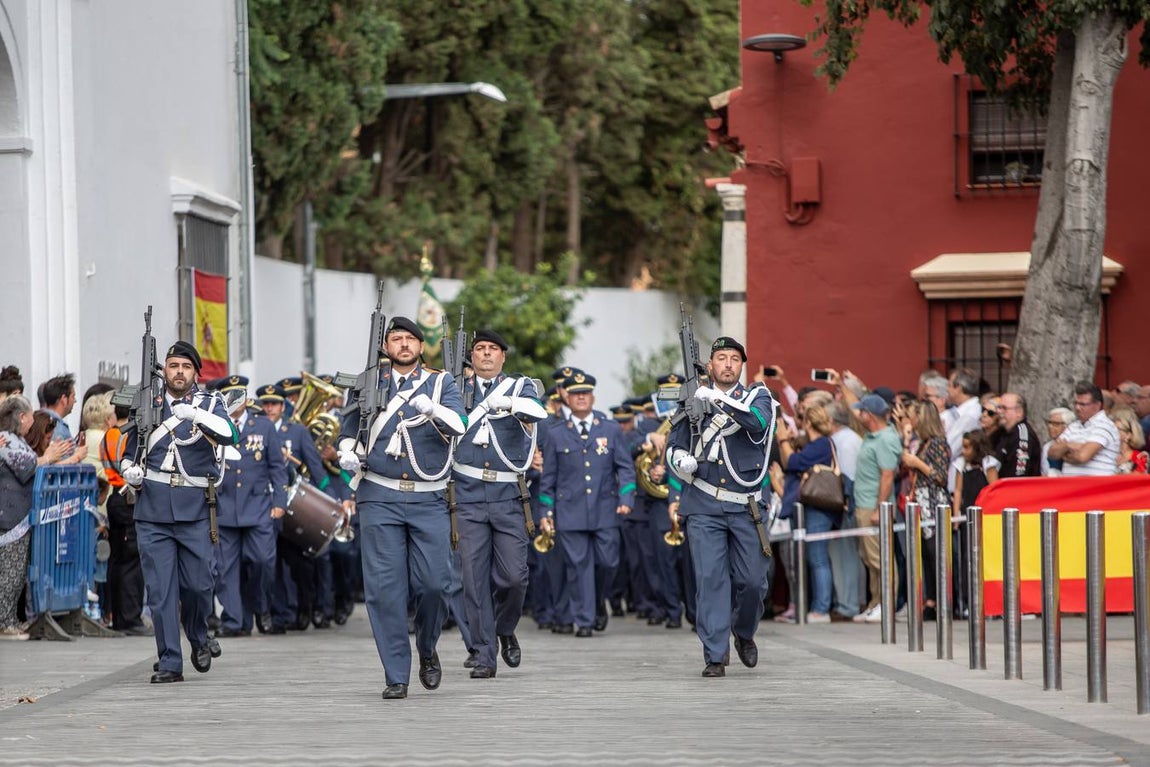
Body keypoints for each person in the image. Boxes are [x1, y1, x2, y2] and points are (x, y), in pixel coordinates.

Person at [337, 316, 466, 700]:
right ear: (386, 346)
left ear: (421, 347)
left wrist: (433, 410)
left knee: (435, 585)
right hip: (379, 495)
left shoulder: (442, 383)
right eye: (397, 339)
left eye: (411, 339)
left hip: (428, 495)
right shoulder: (366, 384)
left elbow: (461, 423)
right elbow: (348, 431)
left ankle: (427, 647)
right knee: (384, 590)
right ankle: (396, 674)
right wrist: (346, 451)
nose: (404, 344)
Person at [119, 341, 238, 683]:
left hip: (195, 508)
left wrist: (196, 415)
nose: (179, 372)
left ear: (195, 373)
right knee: (161, 592)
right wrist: (128, 469)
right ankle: (170, 660)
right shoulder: (146, 403)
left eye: (186, 366)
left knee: (200, 585)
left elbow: (232, 435)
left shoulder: (211, 403)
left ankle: (199, 635)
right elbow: (128, 450)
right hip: (153, 508)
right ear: (164, 371)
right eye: (173, 366)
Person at [666, 336, 774, 677]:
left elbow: (756, 423)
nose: (728, 364)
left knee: (754, 581)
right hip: (703, 502)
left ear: (742, 365)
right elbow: (673, 444)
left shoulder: (758, 396)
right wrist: (679, 459)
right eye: (721, 358)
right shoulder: (692, 398)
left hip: (746, 506)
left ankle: (743, 632)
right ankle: (714, 653)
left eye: (734, 359)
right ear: (709, 365)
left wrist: (715, 399)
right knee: (710, 579)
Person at [451, 329, 547, 679]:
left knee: (513, 578)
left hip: (508, 496)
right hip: (468, 493)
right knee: (474, 580)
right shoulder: (455, 388)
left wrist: (507, 403)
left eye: (493, 349)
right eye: (480, 349)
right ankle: (483, 653)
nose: (487, 354)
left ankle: (505, 628)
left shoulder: (521, 387)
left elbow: (538, 410)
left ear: (503, 357)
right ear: (472, 357)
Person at [539, 372, 636, 638]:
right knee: (578, 566)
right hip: (569, 512)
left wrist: (627, 498)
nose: (581, 397)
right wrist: (546, 512)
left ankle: (596, 603)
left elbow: (625, 469)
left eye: (586, 393)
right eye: (575, 393)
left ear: (593, 397)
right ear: (566, 397)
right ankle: (584, 620)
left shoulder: (611, 429)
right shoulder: (556, 433)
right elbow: (548, 478)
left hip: (605, 510)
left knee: (608, 563)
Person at [211, 376, 288, 638]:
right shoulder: (214, 425)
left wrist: (280, 502)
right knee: (225, 569)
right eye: (230, 396)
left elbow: (277, 467)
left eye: (239, 395)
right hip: (224, 506)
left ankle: (262, 608)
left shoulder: (263, 426)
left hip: (258, 507)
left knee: (263, 561)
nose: (236, 401)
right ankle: (233, 620)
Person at [0, 395, 65, 640]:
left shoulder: (15, 439)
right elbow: (26, 468)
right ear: (21, 417)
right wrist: (48, 456)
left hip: (17, 515)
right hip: (10, 519)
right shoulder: (6, 440)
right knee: (10, 572)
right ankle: (4, 621)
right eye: (29, 415)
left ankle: (9, 619)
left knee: (16, 573)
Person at [777, 402, 840, 623]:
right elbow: (789, 462)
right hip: (808, 508)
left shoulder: (821, 444)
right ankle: (812, 606)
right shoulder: (811, 443)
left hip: (819, 508)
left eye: (803, 419)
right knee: (810, 558)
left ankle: (821, 608)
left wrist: (783, 439)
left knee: (817, 558)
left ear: (810, 422)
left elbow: (794, 461)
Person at [849, 394, 902, 624]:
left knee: (882, 559)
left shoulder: (886, 439)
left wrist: (879, 508)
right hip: (864, 504)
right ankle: (875, 604)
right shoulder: (873, 436)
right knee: (871, 559)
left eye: (862, 411)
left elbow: (888, 475)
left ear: (869, 415)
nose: (858, 415)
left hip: (873, 505)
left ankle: (886, 604)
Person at [99, 399, 149, 635]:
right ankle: (130, 619)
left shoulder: (108, 435)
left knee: (120, 562)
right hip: (126, 495)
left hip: (114, 497)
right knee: (131, 563)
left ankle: (121, 617)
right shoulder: (128, 435)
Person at [900, 400, 951, 621]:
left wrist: (918, 464)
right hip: (922, 503)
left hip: (934, 504)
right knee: (926, 554)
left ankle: (942, 601)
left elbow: (940, 476)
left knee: (936, 553)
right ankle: (930, 599)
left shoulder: (938, 443)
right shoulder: (924, 443)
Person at [1048, 381, 1121, 477]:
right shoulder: (1073, 426)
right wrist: (1074, 446)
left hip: (1097, 488)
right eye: (1076, 403)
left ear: (1097, 405)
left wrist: (1065, 448)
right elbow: (1052, 454)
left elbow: (1083, 457)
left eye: (1082, 404)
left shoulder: (1105, 425)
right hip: (1072, 487)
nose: (1077, 408)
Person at [995, 392, 1042, 479]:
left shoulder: (1022, 435)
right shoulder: (1002, 432)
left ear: (1019, 412)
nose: (998, 411)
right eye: (998, 407)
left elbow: (1018, 473)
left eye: (1004, 408)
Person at [1111, 409, 1149, 474]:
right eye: (1111, 429)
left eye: (1117, 429)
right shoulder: (1106, 454)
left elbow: (1137, 481)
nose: (1112, 432)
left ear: (1128, 435)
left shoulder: (1140, 457)